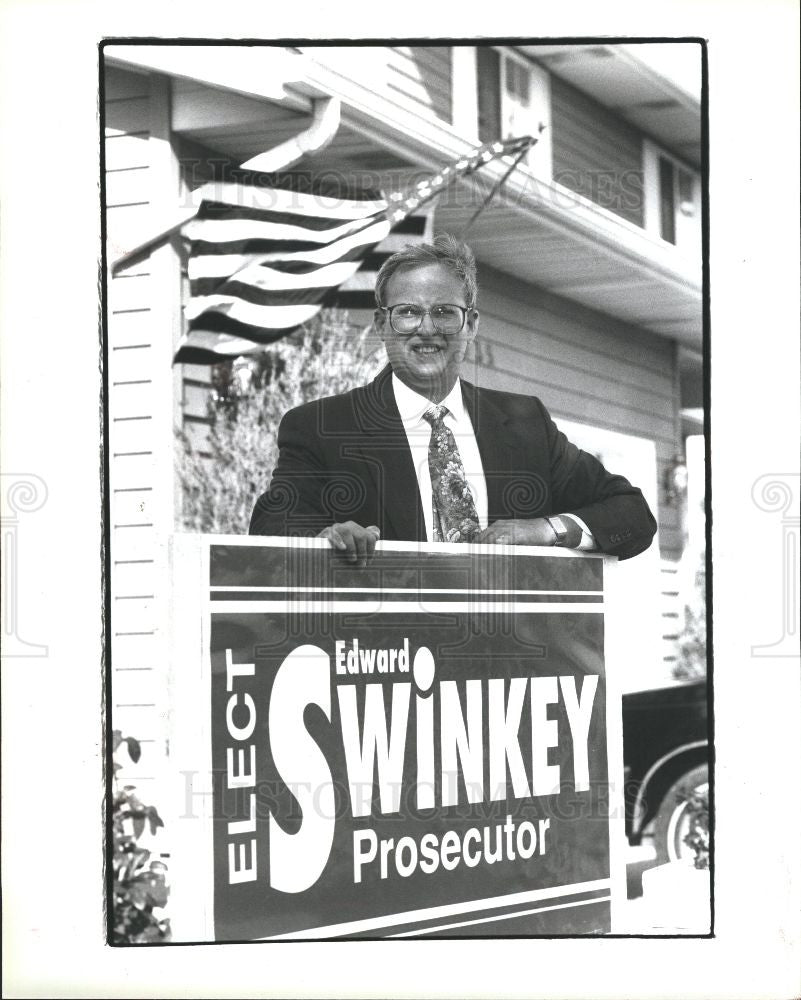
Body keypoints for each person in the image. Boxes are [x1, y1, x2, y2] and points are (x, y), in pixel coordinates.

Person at [250, 234, 656, 563]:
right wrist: (325, 539)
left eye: (445, 312)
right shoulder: (323, 427)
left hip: (506, 656)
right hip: (386, 653)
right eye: (408, 312)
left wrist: (544, 531)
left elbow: (632, 515)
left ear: (471, 324)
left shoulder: (525, 422)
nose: (427, 329)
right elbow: (273, 524)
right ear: (381, 324)